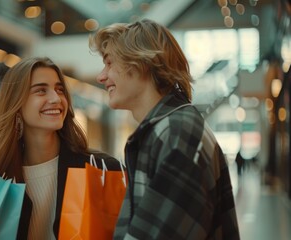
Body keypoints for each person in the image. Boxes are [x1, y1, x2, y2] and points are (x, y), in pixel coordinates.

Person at [89, 19, 240, 239]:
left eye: (109, 63)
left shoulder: (177, 132)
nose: (101, 76)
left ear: (141, 62)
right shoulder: (168, 128)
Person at [0, 57, 121, 239]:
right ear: (17, 104)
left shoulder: (103, 171)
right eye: (41, 91)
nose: (56, 98)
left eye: (60, 89)